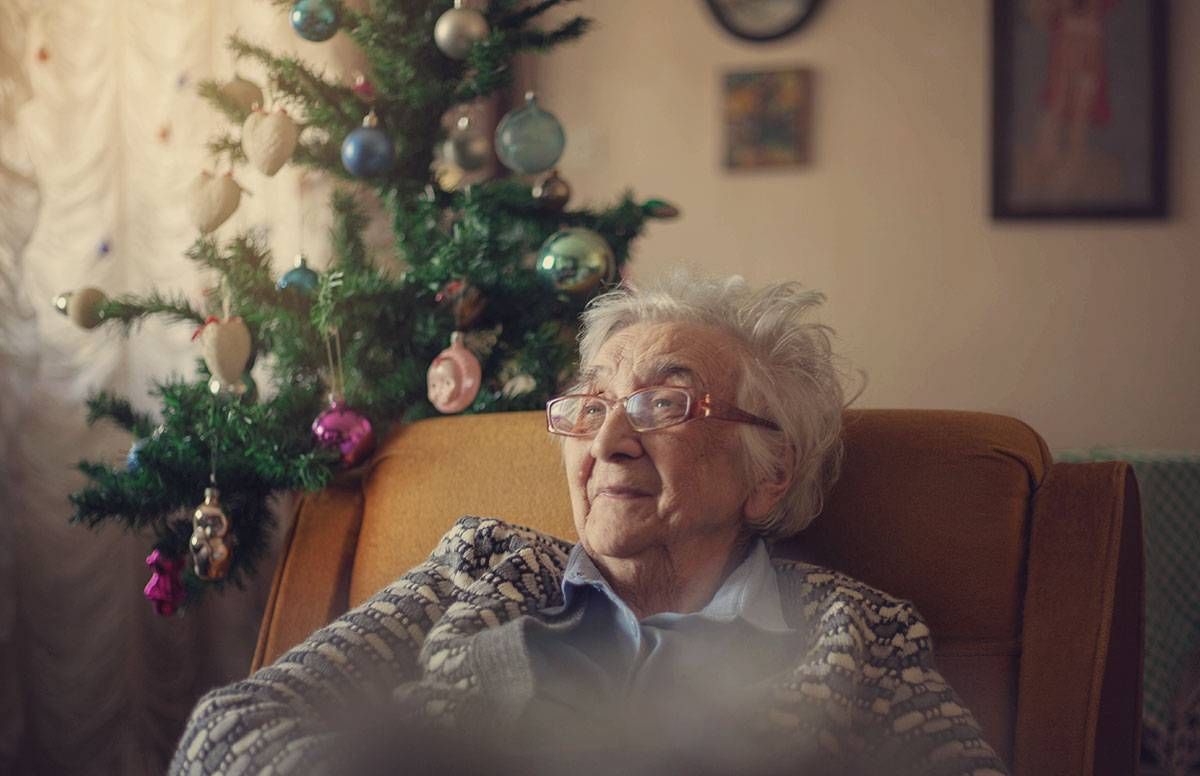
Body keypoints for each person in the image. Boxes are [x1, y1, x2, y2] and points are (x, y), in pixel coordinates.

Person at [170, 272, 1007, 776]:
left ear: (770, 473)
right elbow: (227, 732)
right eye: (592, 404)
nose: (608, 440)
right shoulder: (482, 569)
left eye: (663, 404)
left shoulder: (855, 633)